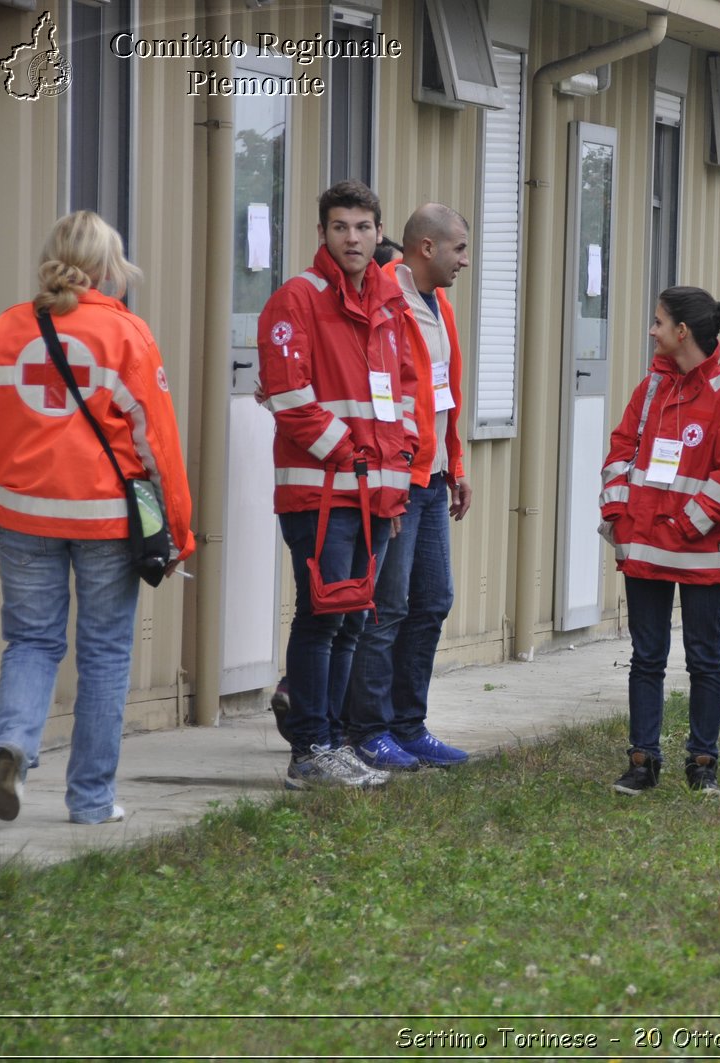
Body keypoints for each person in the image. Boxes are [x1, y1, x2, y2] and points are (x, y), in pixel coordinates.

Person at [0, 211, 195, 824]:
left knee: (30, 640)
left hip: (23, 512)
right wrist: (177, 530)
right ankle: (91, 800)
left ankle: (14, 746)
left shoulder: (5, 330)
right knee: (103, 654)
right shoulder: (125, 332)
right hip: (104, 518)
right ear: (108, 265)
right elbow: (156, 444)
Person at [257, 180, 417, 790]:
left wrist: (392, 487)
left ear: (379, 233)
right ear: (323, 233)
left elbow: (400, 403)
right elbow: (289, 397)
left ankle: (335, 743)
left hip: (374, 495)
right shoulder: (297, 298)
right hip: (320, 494)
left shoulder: (388, 303)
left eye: (363, 227)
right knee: (321, 621)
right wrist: (351, 456)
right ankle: (309, 750)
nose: (352, 238)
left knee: (353, 622)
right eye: (340, 227)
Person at [599, 287, 720, 796]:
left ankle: (702, 763)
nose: (652, 331)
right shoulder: (649, 390)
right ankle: (642, 761)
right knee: (646, 658)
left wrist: (683, 527)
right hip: (645, 548)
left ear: (682, 333)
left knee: (703, 658)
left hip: (701, 552)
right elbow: (620, 450)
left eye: (658, 322)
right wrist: (618, 514)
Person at [345, 204, 473, 770]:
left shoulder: (439, 305)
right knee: (386, 607)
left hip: (433, 478)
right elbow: (382, 400)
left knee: (432, 601)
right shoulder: (384, 299)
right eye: (459, 250)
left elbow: (443, 397)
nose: (464, 261)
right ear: (427, 248)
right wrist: (388, 483)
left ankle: (408, 724)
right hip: (397, 481)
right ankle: (368, 730)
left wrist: (457, 466)